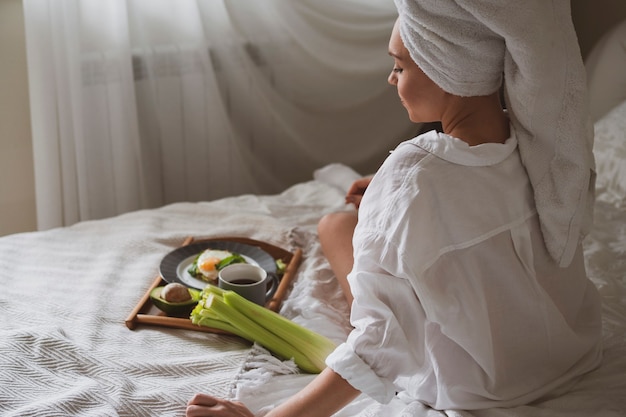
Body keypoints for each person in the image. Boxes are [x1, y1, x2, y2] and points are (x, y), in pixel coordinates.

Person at [186, 4, 602, 416]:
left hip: (479, 388)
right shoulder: (540, 147)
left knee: (334, 225)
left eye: (399, 67)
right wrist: (392, 205)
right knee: (337, 224)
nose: (391, 78)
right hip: (566, 357)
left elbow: (379, 341)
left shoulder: (415, 173)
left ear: (444, 68)